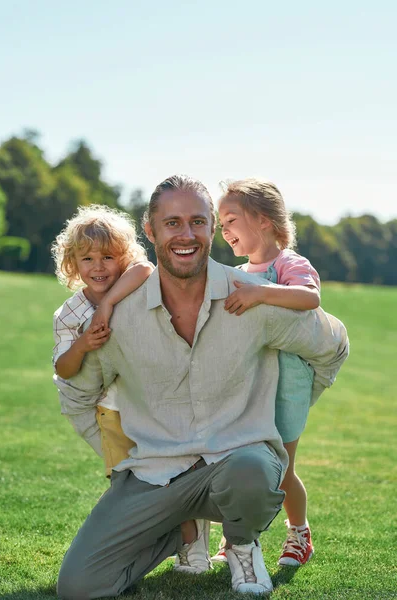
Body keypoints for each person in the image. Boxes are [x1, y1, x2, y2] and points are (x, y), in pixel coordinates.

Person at [55, 175, 349, 598]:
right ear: (151, 231)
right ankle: (179, 535)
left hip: (238, 462)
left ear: (212, 228)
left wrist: (288, 412)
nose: (186, 234)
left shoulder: (251, 295)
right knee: (80, 587)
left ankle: (242, 546)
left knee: (251, 471)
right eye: (172, 223)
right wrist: (115, 456)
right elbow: (75, 390)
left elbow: (330, 345)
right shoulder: (118, 316)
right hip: (154, 472)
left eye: (197, 221)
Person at [211, 178, 320, 567]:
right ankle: (236, 537)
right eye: (220, 224)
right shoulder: (236, 272)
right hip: (250, 379)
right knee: (238, 461)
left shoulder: (289, 264)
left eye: (230, 220)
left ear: (263, 220)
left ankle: (299, 534)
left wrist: (259, 292)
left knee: (282, 466)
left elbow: (310, 298)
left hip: (288, 380)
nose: (223, 231)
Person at [51, 204, 153, 476]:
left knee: (154, 462)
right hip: (86, 404)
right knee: (127, 470)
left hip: (123, 396)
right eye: (87, 259)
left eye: (108, 257)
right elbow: (63, 369)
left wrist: (107, 303)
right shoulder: (69, 314)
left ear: (123, 258)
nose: (98, 267)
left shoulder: (130, 290)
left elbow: (145, 268)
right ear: (72, 263)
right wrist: (82, 344)